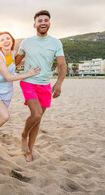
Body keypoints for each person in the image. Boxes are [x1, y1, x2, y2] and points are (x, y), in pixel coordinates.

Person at [15, 10, 67, 162]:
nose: (43, 22)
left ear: (49, 23)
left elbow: (62, 65)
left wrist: (59, 83)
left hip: (45, 85)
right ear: (34, 24)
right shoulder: (26, 42)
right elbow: (15, 62)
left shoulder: (56, 43)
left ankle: (30, 150)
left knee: (38, 119)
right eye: (40, 20)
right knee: (36, 114)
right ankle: (24, 135)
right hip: (28, 82)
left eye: (46, 20)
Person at [0, 31, 40, 153]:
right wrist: (27, 74)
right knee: (5, 116)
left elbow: (22, 59)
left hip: (7, 91)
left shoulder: (14, 54)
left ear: (12, 41)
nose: (6, 41)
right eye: (2, 40)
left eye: (8, 38)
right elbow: (8, 77)